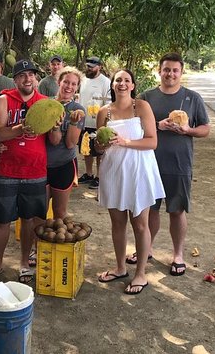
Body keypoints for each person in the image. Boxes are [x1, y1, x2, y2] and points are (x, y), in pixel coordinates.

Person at [125, 53, 210, 276]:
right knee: (149, 209)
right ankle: (147, 248)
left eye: (174, 70)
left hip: (180, 164)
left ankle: (178, 254)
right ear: (159, 71)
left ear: (181, 73)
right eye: (166, 70)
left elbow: (205, 129)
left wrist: (188, 130)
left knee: (177, 209)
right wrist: (157, 125)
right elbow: (134, 126)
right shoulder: (146, 97)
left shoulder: (192, 98)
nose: (170, 74)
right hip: (148, 163)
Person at [95, 69, 164, 295]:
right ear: (112, 85)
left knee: (140, 224)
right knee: (117, 223)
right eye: (118, 80)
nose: (122, 84)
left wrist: (125, 141)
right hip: (113, 171)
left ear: (133, 85)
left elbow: (152, 141)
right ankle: (120, 267)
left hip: (138, 171)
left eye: (126, 80)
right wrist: (100, 145)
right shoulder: (104, 112)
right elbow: (98, 147)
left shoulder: (141, 107)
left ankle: (141, 273)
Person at [0, 59, 54, 285]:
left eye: (31, 75)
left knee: (29, 220)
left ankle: (25, 264)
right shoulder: (5, 100)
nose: (28, 79)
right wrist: (19, 129)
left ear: (36, 78)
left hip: (36, 170)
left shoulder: (45, 103)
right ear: (15, 80)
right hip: (7, 170)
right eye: (22, 75)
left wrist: (55, 126)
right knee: (3, 220)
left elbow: (54, 140)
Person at [46, 66, 86, 218]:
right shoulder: (46, 104)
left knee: (60, 212)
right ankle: (35, 243)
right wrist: (54, 126)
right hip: (42, 165)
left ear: (77, 87)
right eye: (66, 82)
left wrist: (73, 123)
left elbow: (70, 144)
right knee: (38, 213)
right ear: (59, 82)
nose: (69, 87)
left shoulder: (78, 110)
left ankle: (55, 243)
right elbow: (53, 140)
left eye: (73, 84)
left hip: (64, 165)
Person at [77, 56, 110, 189]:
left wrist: (104, 119)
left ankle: (99, 176)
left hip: (98, 122)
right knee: (86, 149)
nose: (89, 68)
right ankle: (88, 173)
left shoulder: (105, 82)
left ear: (99, 67)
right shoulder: (84, 80)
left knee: (99, 151)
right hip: (83, 121)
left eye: (92, 66)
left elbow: (108, 102)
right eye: (88, 66)